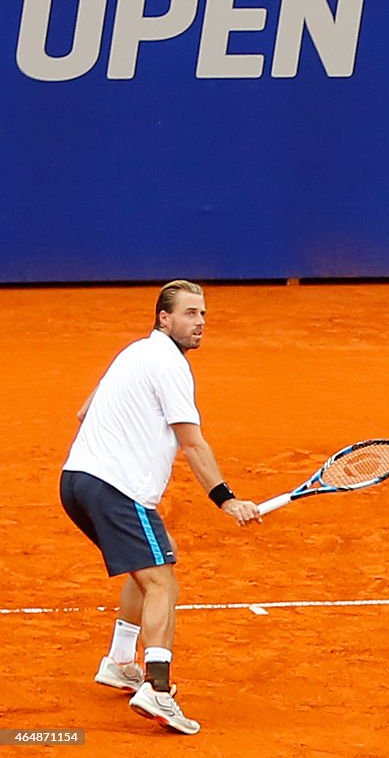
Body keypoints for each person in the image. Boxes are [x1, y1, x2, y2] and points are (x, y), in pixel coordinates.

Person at [60, 280, 262, 734]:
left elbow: (83, 411)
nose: (201, 323)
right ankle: (158, 687)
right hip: (115, 489)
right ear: (164, 319)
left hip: (76, 482)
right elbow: (192, 443)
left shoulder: (133, 353)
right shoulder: (170, 366)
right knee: (162, 583)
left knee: (155, 553)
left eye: (203, 314)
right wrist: (226, 499)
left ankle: (118, 661)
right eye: (190, 314)